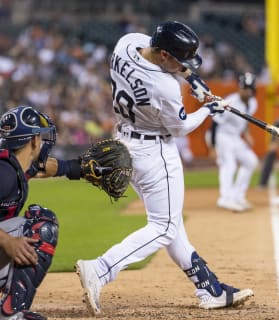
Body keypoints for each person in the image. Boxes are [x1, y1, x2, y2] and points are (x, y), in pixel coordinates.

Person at [74, 20, 254, 316]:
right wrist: (209, 108)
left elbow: (163, 57)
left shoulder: (126, 43)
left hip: (127, 144)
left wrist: (190, 77)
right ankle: (101, 269)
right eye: (180, 60)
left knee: (172, 224)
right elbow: (181, 127)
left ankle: (210, 289)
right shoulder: (164, 86)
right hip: (156, 151)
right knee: (164, 227)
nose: (185, 65)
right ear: (165, 56)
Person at [0, 105, 86, 320]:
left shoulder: (13, 165)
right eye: (40, 136)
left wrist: (80, 168)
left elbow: (44, 168)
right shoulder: (5, 174)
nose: (42, 141)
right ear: (33, 140)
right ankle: (10, 313)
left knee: (29, 227)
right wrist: (8, 241)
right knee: (41, 224)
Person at [208, 72, 258, 212]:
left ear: (253, 90)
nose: (245, 91)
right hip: (223, 136)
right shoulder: (230, 102)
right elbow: (214, 124)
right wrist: (212, 147)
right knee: (229, 165)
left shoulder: (253, 103)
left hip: (236, 137)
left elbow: (244, 121)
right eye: (243, 87)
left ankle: (237, 196)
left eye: (248, 88)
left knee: (251, 161)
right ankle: (225, 199)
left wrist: (247, 134)